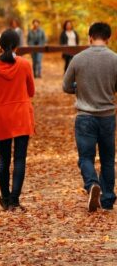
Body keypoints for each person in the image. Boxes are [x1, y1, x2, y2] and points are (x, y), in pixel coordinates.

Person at [63, 22, 117, 212]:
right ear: (108, 38)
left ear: (90, 37)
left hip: (85, 116)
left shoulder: (78, 59)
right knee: (108, 159)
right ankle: (108, 199)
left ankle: (92, 184)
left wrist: (80, 88)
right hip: (108, 116)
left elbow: (66, 86)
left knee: (86, 157)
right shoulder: (115, 59)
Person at [0, 29, 35, 211]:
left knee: (3, 159)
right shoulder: (24, 64)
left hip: (2, 116)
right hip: (21, 114)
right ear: (17, 46)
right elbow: (31, 91)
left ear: (0, 46)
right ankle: (15, 199)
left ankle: (5, 199)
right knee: (19, 159)